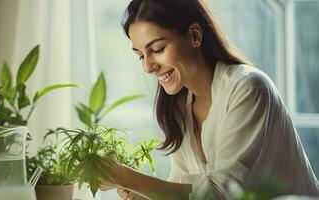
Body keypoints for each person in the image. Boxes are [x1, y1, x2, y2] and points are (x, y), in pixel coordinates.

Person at [99, 0, 319, 199]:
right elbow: (183, 192)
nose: (147, 66)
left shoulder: (248, 87)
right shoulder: (178, 107)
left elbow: (222, 194)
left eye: (157, 49)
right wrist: (138, 193)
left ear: (195, 35)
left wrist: (125, 176)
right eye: (140, 55)